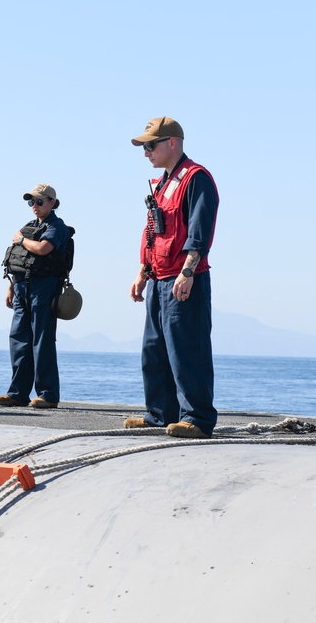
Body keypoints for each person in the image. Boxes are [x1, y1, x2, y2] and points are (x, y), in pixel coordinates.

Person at [126, 117, 220, 438]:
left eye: (150, 145)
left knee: (186, 349)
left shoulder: (196, 178)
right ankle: (159, 414)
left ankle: (197, 418)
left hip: (183, 278)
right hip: (158, 279)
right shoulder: (164, 184)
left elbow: (200, 229)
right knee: (154, 350)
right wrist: (143, 270)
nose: (146, 153)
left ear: (172, 143)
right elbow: (153, 231)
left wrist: (188, 271)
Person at [0, 184, 72, 410]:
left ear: (52, 202)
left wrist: (20, 240)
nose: (34, 206)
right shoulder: (29, 227)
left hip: (44, 287)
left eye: (39, 201)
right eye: (31, 202)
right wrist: (11, 286)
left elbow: (43, 249)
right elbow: (17, 260)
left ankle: (48, 394)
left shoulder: (57, 227)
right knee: (19, 339)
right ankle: (18, 393)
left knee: (42, 340)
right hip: (21, 287)